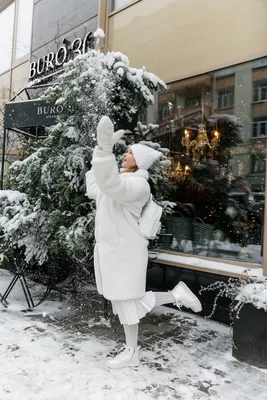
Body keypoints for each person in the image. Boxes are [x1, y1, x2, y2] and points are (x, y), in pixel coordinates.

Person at [85, 116, 202, 369]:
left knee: (129, 301)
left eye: (129, 152)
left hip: (126, 252)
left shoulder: (138, 186)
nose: (124, 154)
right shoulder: (119, 179)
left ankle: (132, 350)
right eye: (125, 151)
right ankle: (172, 298)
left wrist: (104, 151)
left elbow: (108, 184)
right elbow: (94, 187)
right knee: (125, 301)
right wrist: (100, 151)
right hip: (114, 252)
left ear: (139, 161)